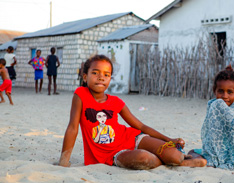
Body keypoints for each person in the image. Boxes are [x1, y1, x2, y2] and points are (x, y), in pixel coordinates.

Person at [58, 55, 206, 169]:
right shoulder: (81, 94)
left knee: (175, 156)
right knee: (145, 158)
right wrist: (64, 161)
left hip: (133, 139)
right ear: (85, 77)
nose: (101, 77)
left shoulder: (116, 102)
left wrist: (169, 140)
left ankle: (184, 158)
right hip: (112, 154)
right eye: (95, 73)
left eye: (106, 74)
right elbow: (72, 128)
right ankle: (184, 162)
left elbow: (140, 127)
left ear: (110, 78)